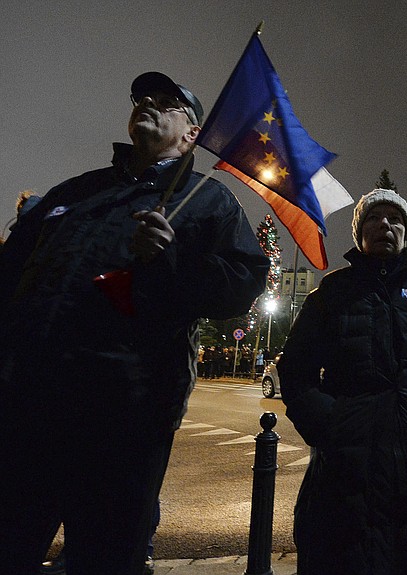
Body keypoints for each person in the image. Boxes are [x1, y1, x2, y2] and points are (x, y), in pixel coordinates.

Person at [0, 71, 268, 575]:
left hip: (122, 413)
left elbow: (242, 284)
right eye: (143, 97)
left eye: (167, 102)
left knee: (105, 555)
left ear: (192, 133)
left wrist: (172, 256)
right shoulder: (76, 192)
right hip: (27, 403)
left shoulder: (208, 200)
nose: (148, 102)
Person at [278, 189, 407, 575]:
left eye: (394, 219)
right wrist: (331, 425)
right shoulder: (332, 291)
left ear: (406, 233)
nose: (385, 225)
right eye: (374, 218)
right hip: (348, 467)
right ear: (359, 232)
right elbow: (295, 370)